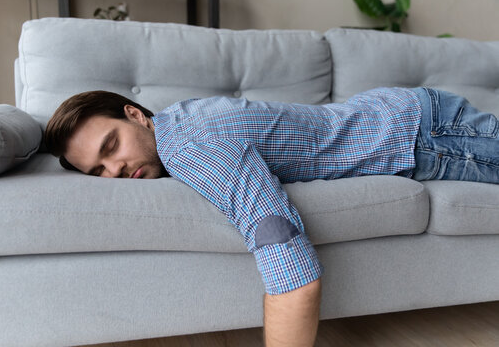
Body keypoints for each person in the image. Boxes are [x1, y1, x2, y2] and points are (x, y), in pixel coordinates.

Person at [44, 86, 499, 347]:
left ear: (135, 115)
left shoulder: (188, 145)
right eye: (99, 171)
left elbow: (290, 265)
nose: (116, 170)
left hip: (428, 134)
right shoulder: (179, 123)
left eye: (111, 147)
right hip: (408, 115)